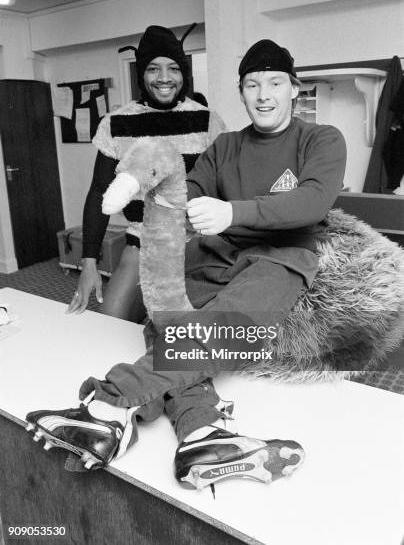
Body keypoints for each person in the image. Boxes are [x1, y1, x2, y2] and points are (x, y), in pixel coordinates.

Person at [26, 38, 346, 491]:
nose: (264, 94)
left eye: (275, 82)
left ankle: (107, 407)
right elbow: (191, 189)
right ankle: (201, 432)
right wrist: (167, 193)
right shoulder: (227, 145)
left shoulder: (322, 139)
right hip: (216, 255)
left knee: (230, 323)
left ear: (294, 89)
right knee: (164, 319)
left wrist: (232, 212)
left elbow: (311, 202)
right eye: (252, 84)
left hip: (281, 257)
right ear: (241, 92)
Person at [67, 24, 226, 321]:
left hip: (199, 246)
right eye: (153, 68)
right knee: (110, 323)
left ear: (184, 73)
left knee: (190, 337)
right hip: (143, 245)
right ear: (141, 73)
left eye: (173, 68)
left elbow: (225, 188)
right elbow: (99, 192)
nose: (164, 78)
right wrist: (88, 262)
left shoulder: (208, 122)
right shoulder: (116, 123)